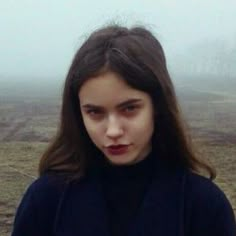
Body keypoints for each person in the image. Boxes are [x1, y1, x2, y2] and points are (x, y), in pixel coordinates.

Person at [11, 24, 236, 236]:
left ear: (157, 106)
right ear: (78, 114)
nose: (113, 130)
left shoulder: (203, 206)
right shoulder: (46, 200)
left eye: (129, 109)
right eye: (95, 112)